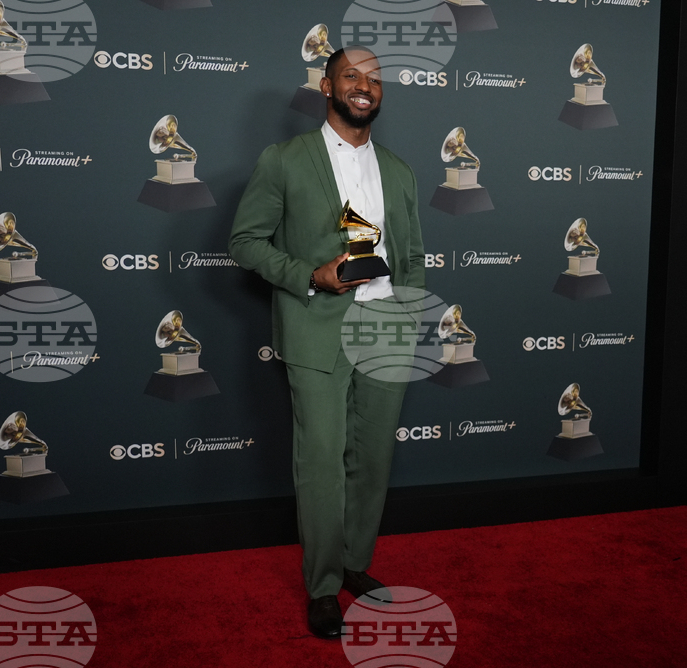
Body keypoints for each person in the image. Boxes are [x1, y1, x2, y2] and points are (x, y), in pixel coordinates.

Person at [228, 46, 425, 639]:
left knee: (372, 463)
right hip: (318, 327)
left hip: (385, 326)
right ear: (326, 85)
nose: (364, 86)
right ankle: (320, 587)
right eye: (352, 76)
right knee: (320, 465)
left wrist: (407, 318)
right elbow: (245, 241)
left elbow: (410, 255)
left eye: (374, 78)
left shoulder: (398, 168)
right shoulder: (285, 159)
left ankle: (353, 566)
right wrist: (310, 276)